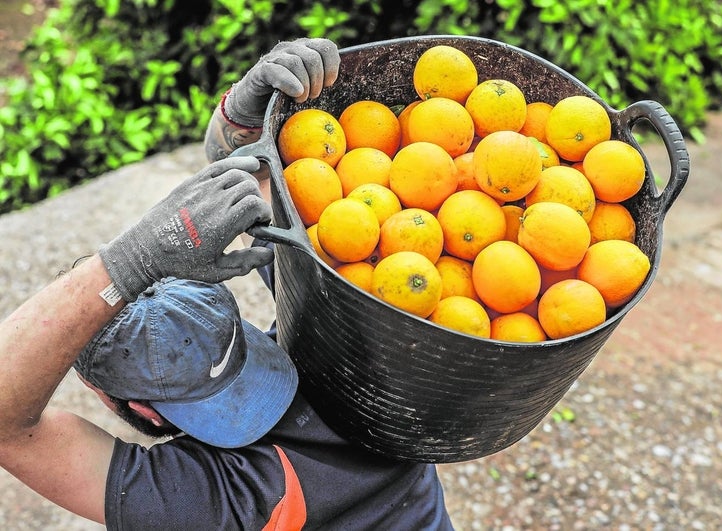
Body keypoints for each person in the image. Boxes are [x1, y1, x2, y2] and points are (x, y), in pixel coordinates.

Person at [0, 38, 454, 530]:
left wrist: (129, 265)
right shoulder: (341, 342)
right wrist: (239, 122)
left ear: (141, 413)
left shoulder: (218, 501)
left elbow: (6, 423)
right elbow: (260, 188)